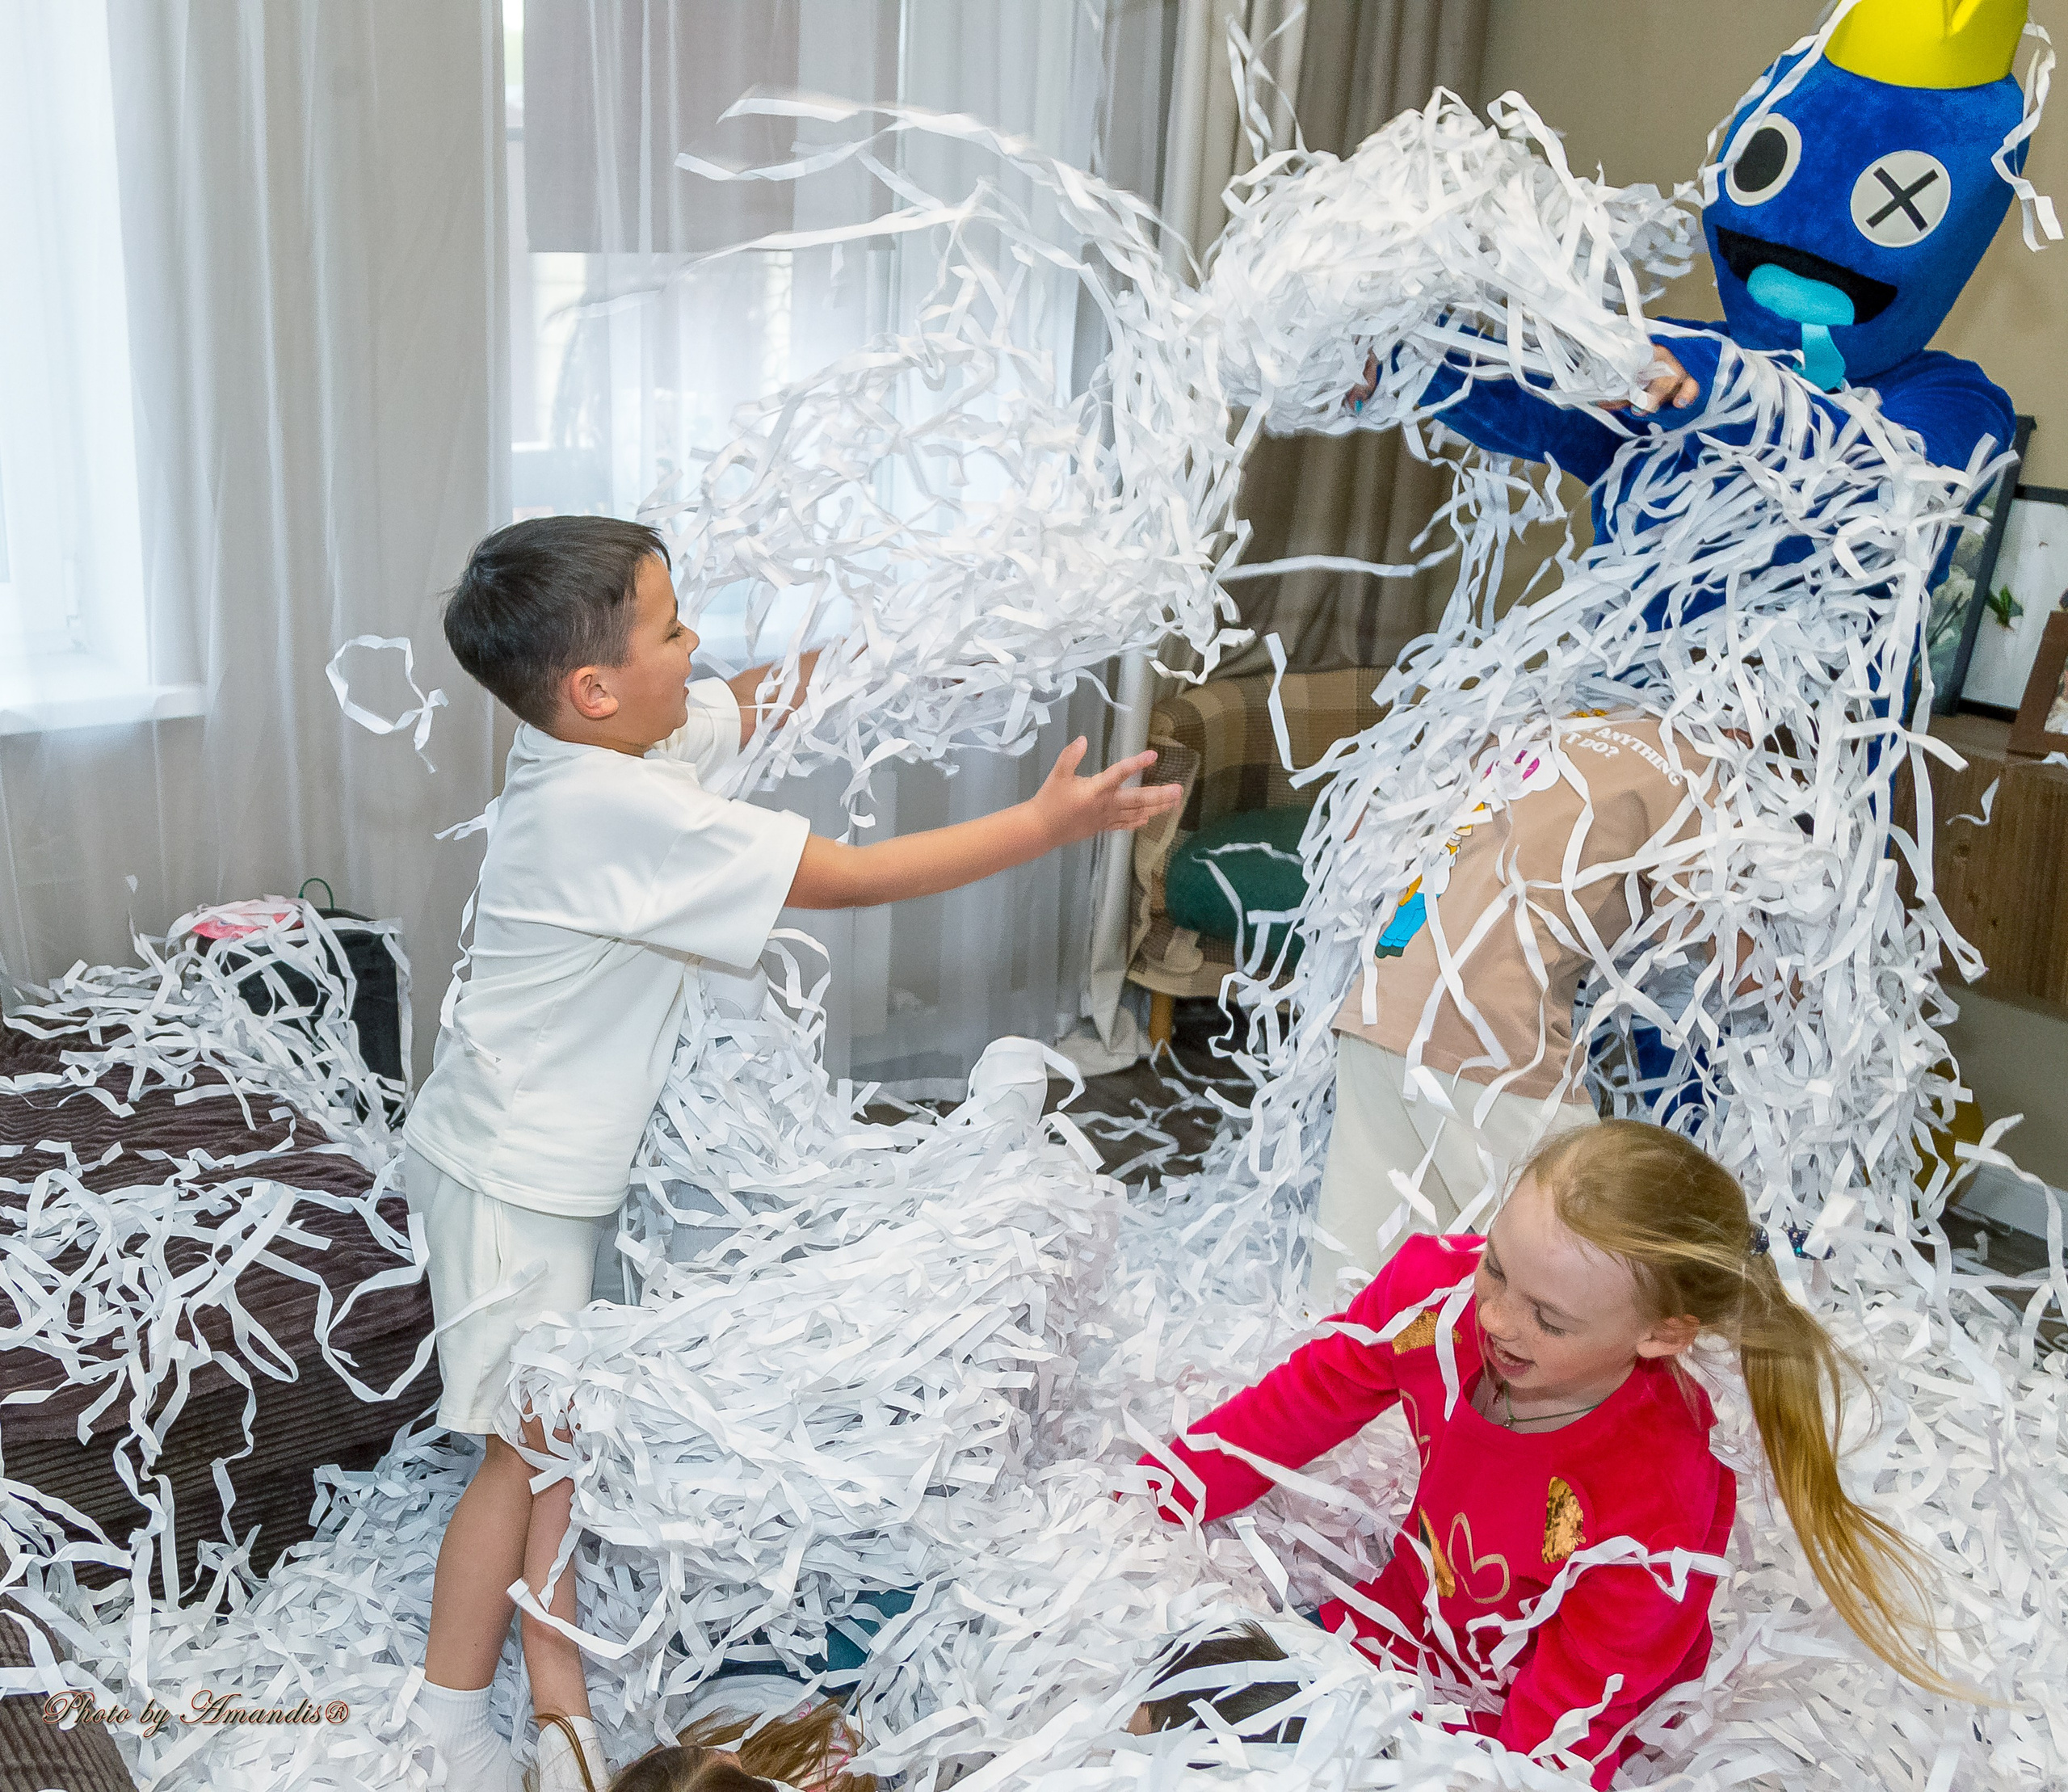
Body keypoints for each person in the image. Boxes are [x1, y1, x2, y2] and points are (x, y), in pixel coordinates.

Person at [404, 515, 1181, 1792]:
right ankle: (447, 1717)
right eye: (669, 627)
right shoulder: (608, 807)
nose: (695, 642)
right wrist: (1049, 824)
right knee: (518, 1445)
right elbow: (855, 875)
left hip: (554, 1167)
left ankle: (562, 1706)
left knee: (569, 1429)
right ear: (596, 687)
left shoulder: (604, 736)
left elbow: (752, 697)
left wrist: (927, 641)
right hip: (509, 1183)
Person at [1139, 1120, 1959, 1788]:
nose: (1495, 1319)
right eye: (1495, 1268)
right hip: (1399, 1628)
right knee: (1179, 1693)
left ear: (1659, 1334)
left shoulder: (1658, 1489)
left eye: (1548, 1319)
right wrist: (1159, 1493)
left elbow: (1565, 1728)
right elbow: (1307, 1396)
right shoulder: (1437, 1301)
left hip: (1542, 1726)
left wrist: (1455, 1759)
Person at [1311, 714, 1714, 1304]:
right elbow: (1727, 953)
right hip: (1492, 1026)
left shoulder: (1565, 721)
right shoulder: (1706, 777)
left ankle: (1356, 1384)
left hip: (1387, 983)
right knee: (1604, 1255)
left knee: (1361, 1286)